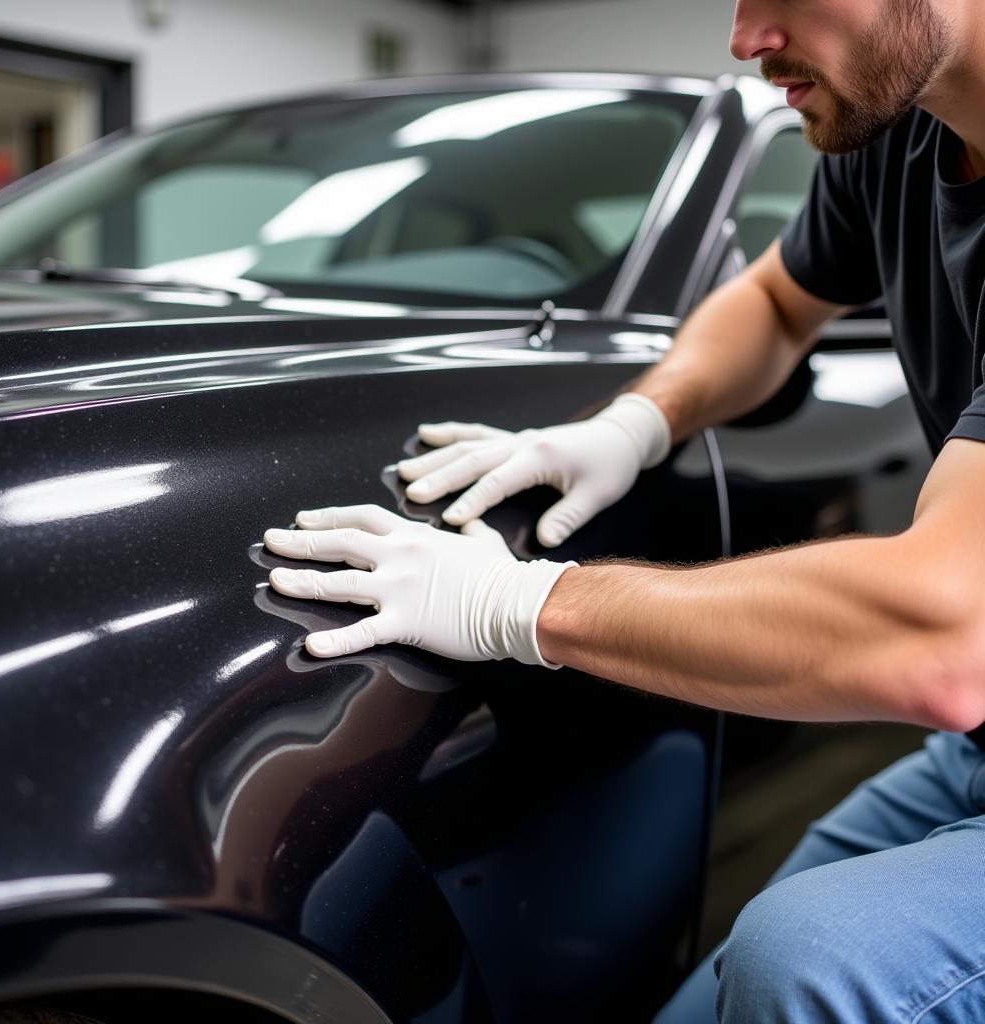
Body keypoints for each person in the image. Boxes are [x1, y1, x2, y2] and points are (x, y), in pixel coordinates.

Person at [263, 0, 985, 1018]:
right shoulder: (905, 136)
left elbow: (949, 638)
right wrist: (634, 423)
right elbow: (777, 302)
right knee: (720, 987)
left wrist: (517, 605)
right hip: (975, 754)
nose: (742, 38)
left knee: (812, 960)